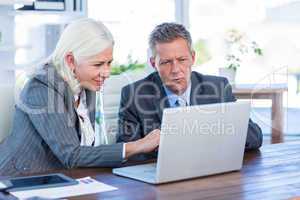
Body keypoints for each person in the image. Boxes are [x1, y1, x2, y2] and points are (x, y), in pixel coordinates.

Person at [0, 18, 160, 176]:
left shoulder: (86, 84)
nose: (107, 73)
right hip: (19, 181)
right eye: (98, 64)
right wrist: (138, 146)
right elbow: (72, 155)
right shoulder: (42, 87)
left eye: (109, 63)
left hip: (63, 178)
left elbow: (84, 150)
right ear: (71, 60)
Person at [117, 22, 263, 153]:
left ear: (193, 58)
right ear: (153, 63)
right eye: (166, 62)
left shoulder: (217, 88)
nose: (175, 69)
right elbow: (125, 151)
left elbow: (255, 138)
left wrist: (216, 130)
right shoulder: (133, 95)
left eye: (182, 60)